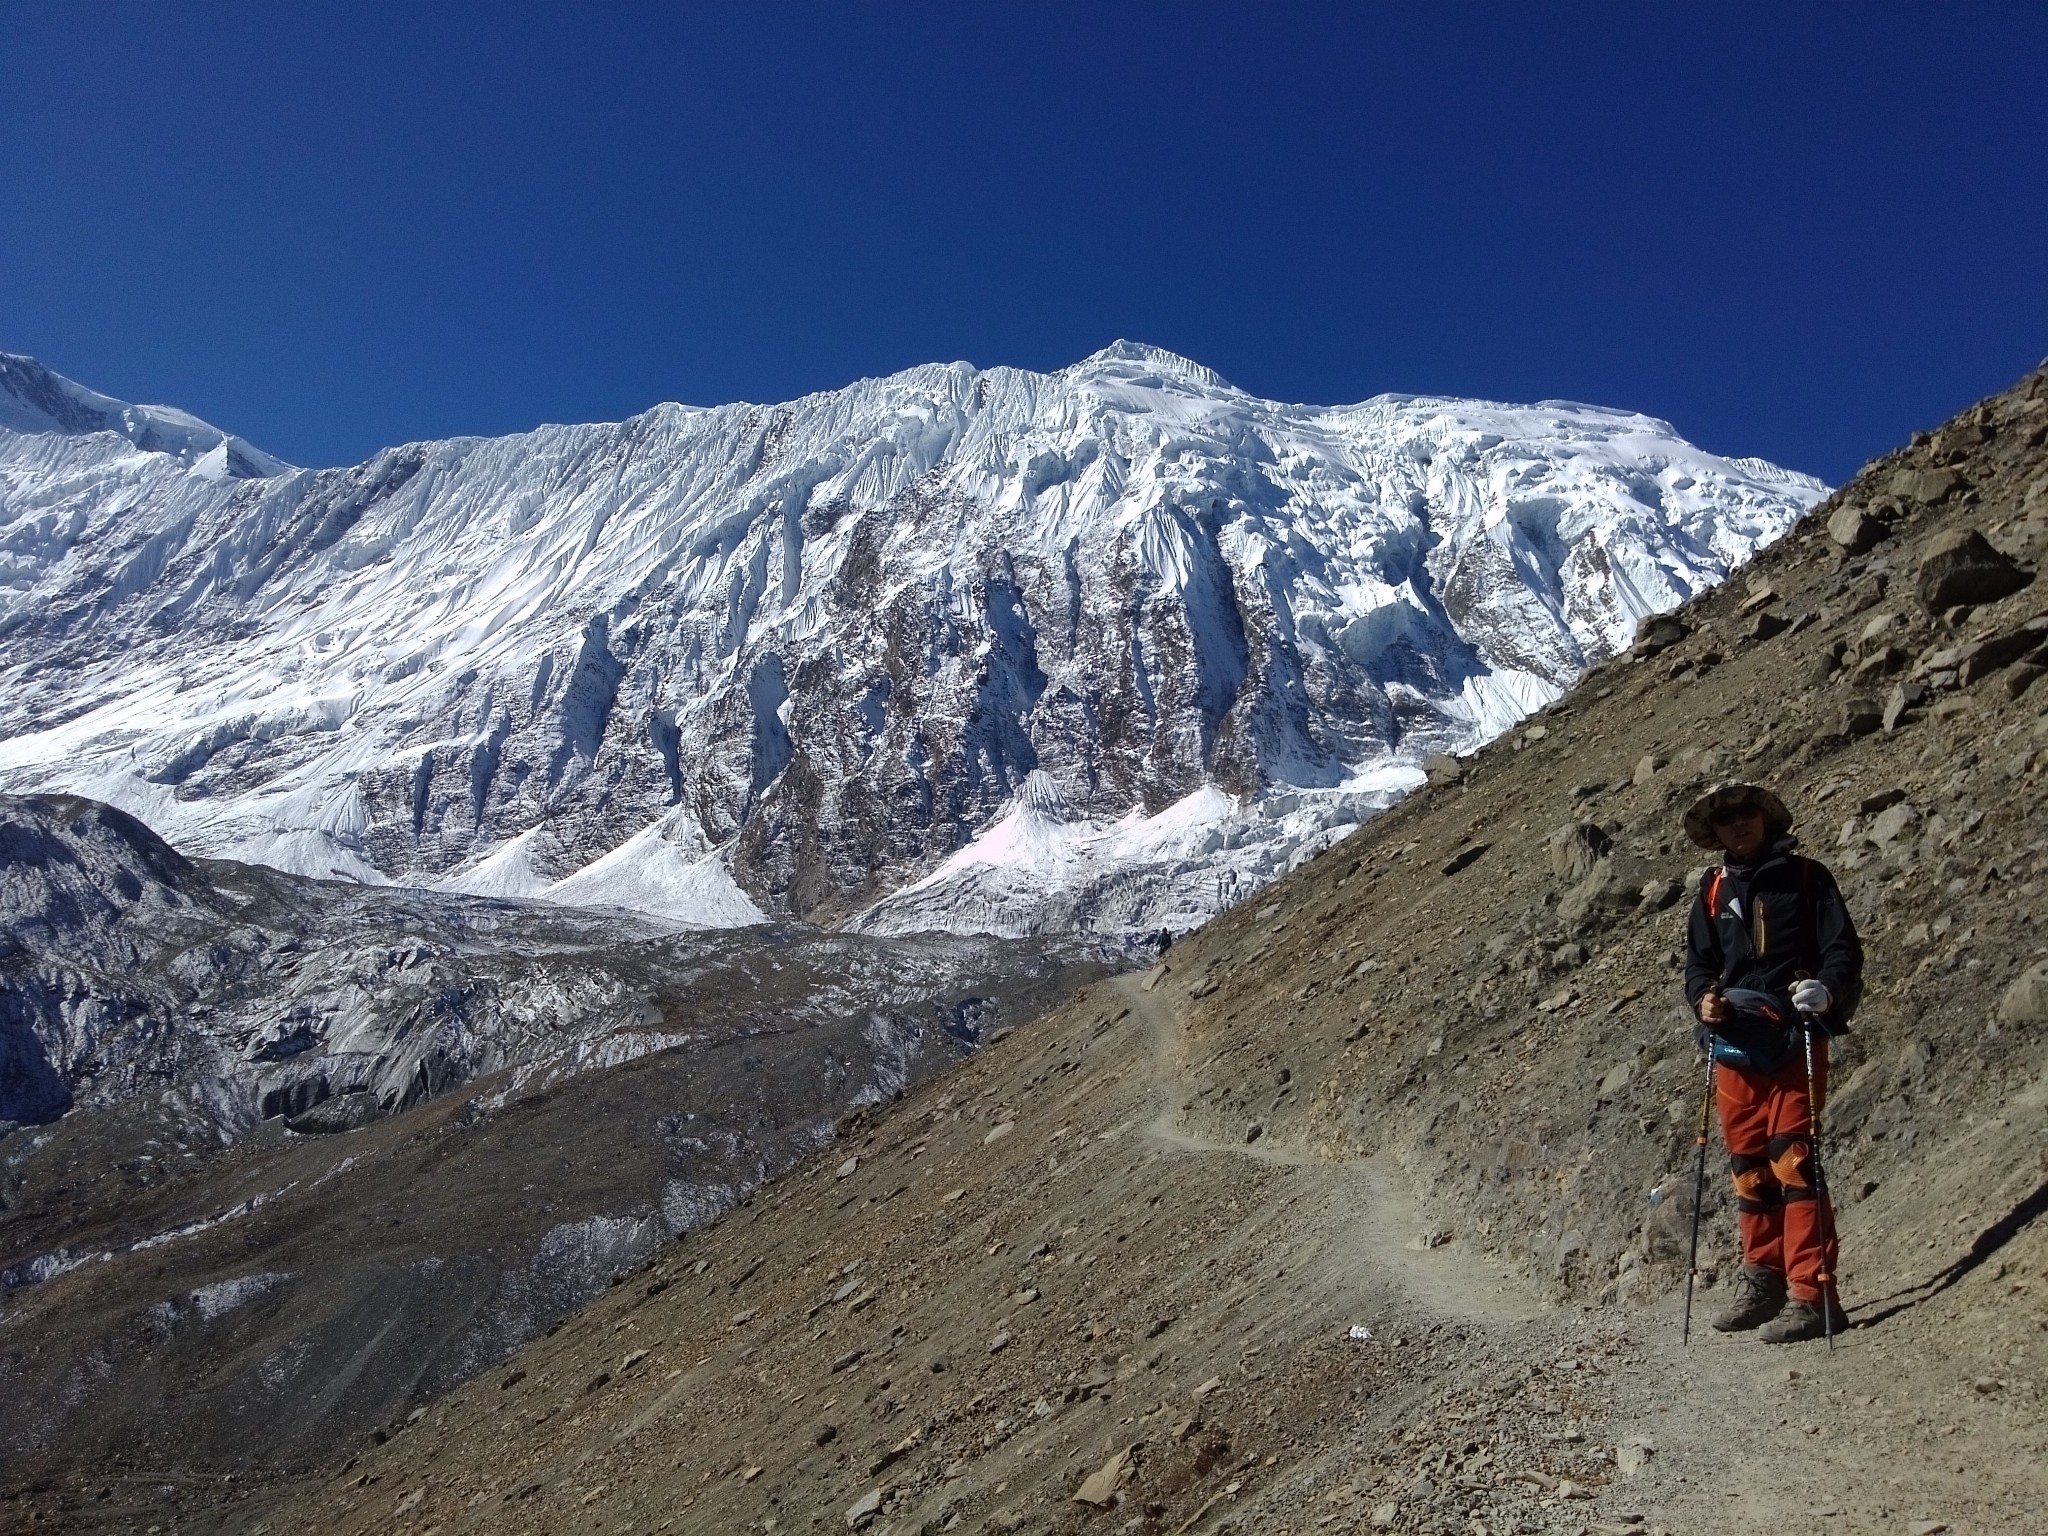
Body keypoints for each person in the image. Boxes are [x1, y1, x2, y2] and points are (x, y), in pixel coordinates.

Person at [1682, 781, 1863, 1344]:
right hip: (1735, 1046)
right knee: (1750, 1169)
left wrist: (1828, 991)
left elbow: (1842, 951)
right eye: (1726, 819)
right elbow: (1698, 966)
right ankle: (1765, 1283)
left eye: (1746, 814)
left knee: (1795, 1164)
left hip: (1795, 1038)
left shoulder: (1809, 878)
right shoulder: (1711, 891)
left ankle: (1814, 1296)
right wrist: (1703, 999)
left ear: (1766, 818)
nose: (1738, 824)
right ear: (1714, 833)